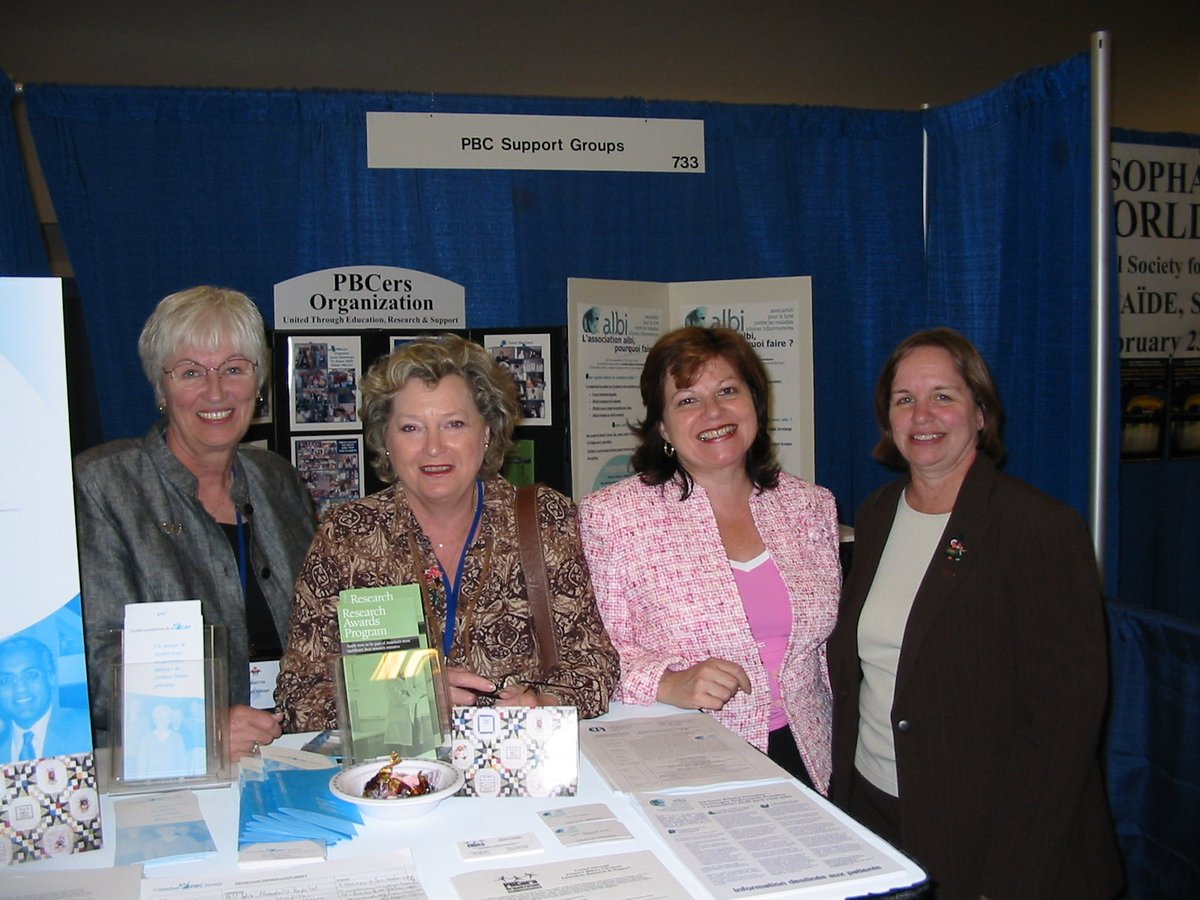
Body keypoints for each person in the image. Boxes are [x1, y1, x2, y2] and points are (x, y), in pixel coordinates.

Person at [827, 327, 1122, 899]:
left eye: (944, 395)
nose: (922, 414)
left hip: (988, 837)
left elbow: (1065, 727)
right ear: (887, 420)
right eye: (903, 399)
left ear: (981, 412)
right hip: (877, 809)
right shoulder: (880, 513)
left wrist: (1008, 877)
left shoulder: (1037, 529)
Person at [275, 334, 618, 730]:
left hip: (517, 764)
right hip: (399, 770)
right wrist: (404, 699)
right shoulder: (349, 535)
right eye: (410, 428)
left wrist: (543, 702)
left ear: (486, 431)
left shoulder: (543, 518)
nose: (434, 447)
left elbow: (596, 664)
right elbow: (298, 695)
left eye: (454, 424)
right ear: (385, 439)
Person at [578, 326, 841, 792]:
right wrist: (667, 682)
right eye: (686, 400)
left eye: (727, 391)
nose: (713, 412)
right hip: (685, 757)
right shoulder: (613, 516)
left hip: (811, 754)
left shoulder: (811, 507)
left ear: (755, 403)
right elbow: (592, 653)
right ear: (661, 425)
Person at [73, 286, 316, 759]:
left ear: (259, 382)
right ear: (160, 388)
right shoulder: (101, 486)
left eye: (233, 369)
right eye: (190, 372)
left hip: (293, 752)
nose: (216, 392)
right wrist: (201, 726)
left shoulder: (278, 481)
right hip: (166, 764)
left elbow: (325, 625)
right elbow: (89, 665)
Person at [0, 635, 92, 759]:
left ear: (51, 678)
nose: (20, 688)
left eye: (31, 675)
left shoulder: (85, 729)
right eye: (6, 680)